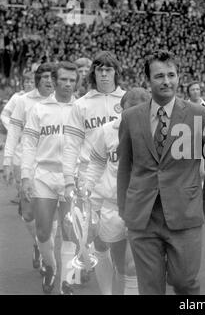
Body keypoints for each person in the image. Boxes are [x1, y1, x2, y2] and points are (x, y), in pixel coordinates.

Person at [117, 50, 205, 295]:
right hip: (143, 216)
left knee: (184, 282)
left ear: (179, 77)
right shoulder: (131, 117)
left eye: (172, 75)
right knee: (150, 287)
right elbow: (125, 166)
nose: (167, 81)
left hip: (184, 213)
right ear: (148, 81)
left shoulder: (199, 114)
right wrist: (124, 207)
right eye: (159, 76)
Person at [63, 51, 126, 294]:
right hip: (91, 180)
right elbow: (71, 144)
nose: (103, 73)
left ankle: (127, 285)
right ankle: (106, 292)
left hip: (123, 181)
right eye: (99, 69)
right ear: (93, 73)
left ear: (116, 72)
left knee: (123, 246)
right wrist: (69, 179)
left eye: (108, 69)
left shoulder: (130, 101)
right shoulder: (82, 105)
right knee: (99, 242)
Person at [84, 88, 150, 295]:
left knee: (132, 267)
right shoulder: (106, 131)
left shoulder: (158, 133)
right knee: (118, 262)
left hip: (142, 207)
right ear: (121, 109)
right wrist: (87, 192)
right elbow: (96, 163)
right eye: (131, 109)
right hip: (112, 205)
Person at [20, 61, 78, 294]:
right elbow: (29, 144)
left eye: (72, 80)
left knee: (69, 231)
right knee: (43, 231)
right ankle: (51, 265)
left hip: (72, 177)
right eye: (63, 79)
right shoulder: (39, 109)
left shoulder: (81, 108)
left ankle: (67, 280)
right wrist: (25, 176)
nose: (67, 84)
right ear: (54, 81)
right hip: (44, 175)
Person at [2, 63, 54, 273]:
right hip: (26, 162)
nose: (50, 81)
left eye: (53, 77)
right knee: (29, 214)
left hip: (51, 164)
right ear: (37, 80)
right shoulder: (23, 101)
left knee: (49, 214)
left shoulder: (63, 100)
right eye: (45, 77)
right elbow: (13, 132)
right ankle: (37, 242)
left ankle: (47, 258)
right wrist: (7, 161)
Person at [1, 71, 35, 205]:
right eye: (26, 82)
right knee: (18, 166)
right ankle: (20, 192)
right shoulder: (17, 97)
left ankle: (30, 194)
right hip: (20, 141)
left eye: (31, 81)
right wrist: (15, 130)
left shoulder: (44, 99)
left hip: (34, 141)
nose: (29, 84)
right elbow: (4, 115)